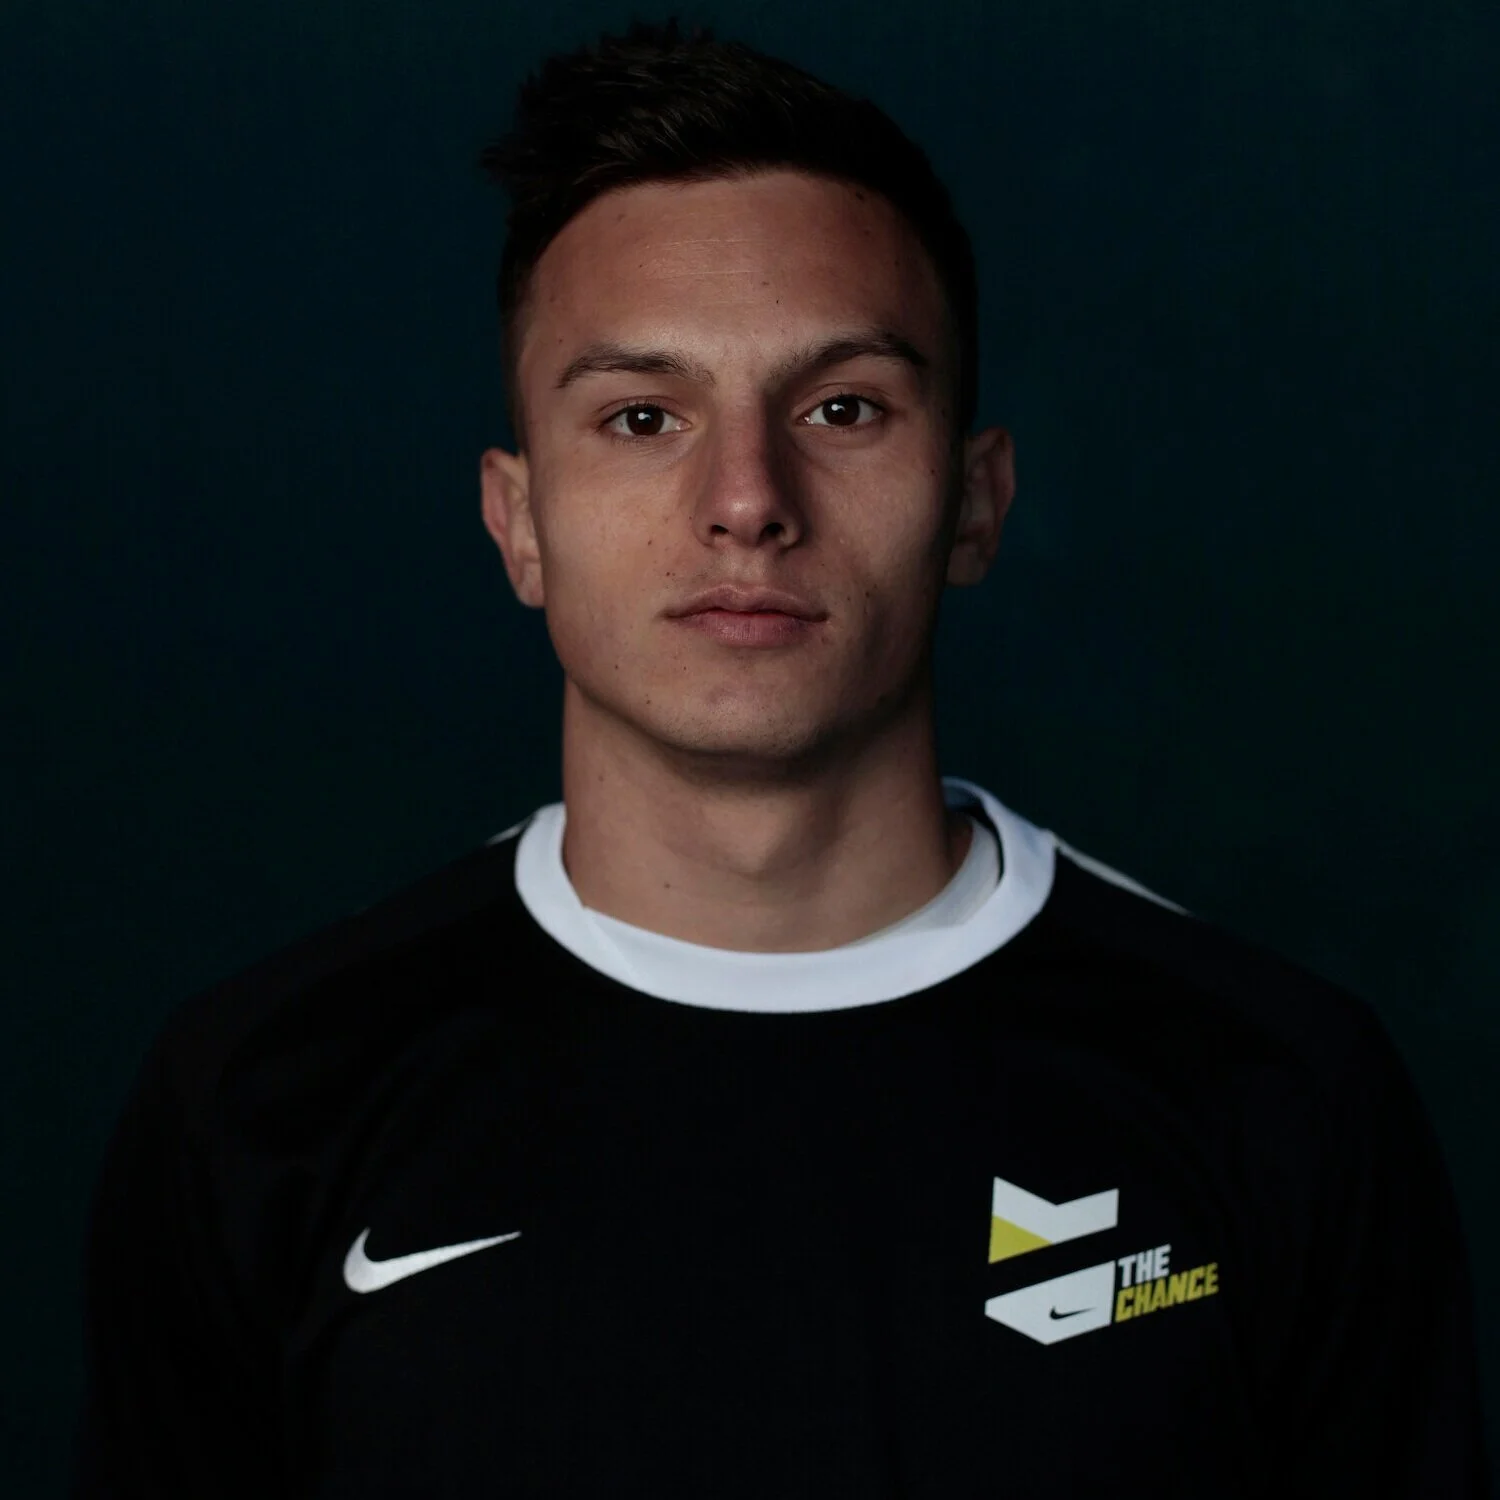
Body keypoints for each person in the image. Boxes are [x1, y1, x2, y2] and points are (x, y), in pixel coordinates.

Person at [71, 17, 1488, 1497]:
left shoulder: (1277, 1093)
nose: (747, 497)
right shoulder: (264, 1101)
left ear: (976, 500)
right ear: (518, 521)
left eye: (843, 408)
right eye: (642, 417)